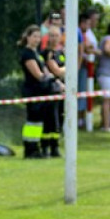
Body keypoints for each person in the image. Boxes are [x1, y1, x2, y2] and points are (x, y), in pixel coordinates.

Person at [18, 24, 62, 158]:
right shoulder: (27, 54)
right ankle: (30, 149)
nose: (37, 39)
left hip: (42, 92)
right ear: (28, 37)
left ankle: (38, 148)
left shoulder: (36, 53)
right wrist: (52, 79)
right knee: (33, 121)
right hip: (33, 91)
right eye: (34, 36)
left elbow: (45, 72)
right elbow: (38, 75)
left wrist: (56, 82)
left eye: (39, 37)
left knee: (40, 121)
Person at [41, 23, 68, 153]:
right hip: (50, 90)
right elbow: (56, 71)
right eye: (51, 35)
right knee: (50, 119)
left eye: (56, 35)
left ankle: (55, 147)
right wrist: (67, 69)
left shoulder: (60, 52)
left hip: (62, 91)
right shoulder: (47, 53)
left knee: (60, 118)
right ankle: (46, 146)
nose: (54, 38)